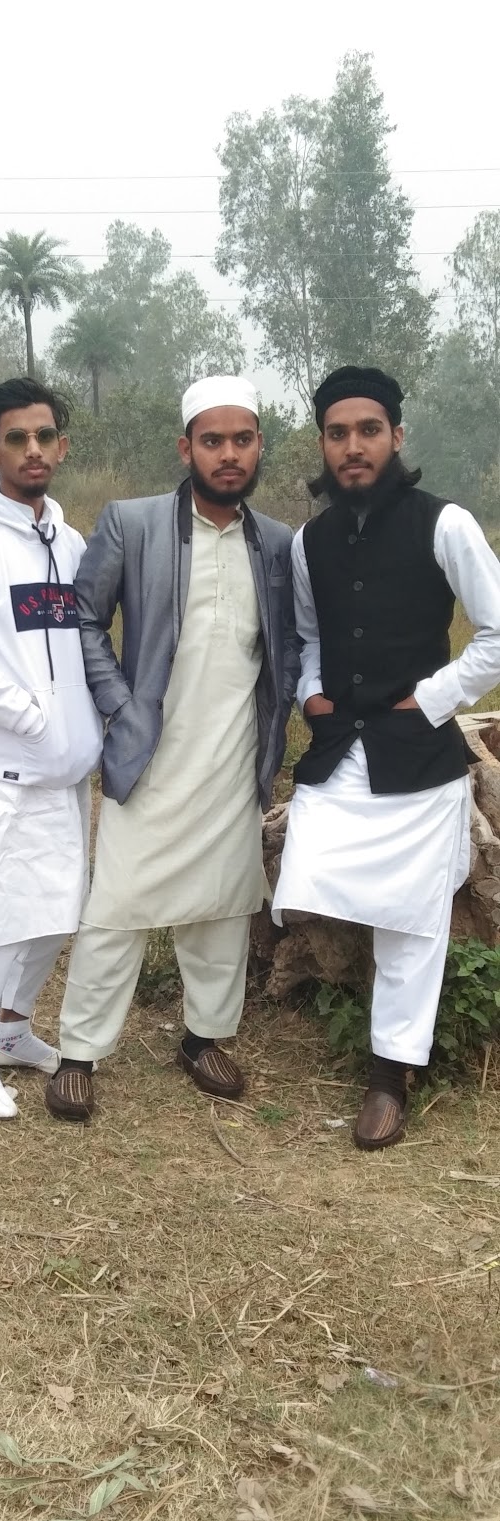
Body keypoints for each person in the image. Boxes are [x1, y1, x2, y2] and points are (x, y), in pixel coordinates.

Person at [46, 375, 300, 1121]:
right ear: (186, 448)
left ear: (259, 447)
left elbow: (287, 647)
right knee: (117, 905)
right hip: (150, 753)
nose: (229, 455)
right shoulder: (134, 523)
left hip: (233, 755)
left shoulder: (278, 542)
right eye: (213, 441)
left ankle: (203, 1038)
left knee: (224, 905)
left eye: (242, 440)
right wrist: (120, 705)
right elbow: (83, 619)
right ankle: (79, 1052)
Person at [272, 364, 500, 1151]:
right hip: (340, 747)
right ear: (323, 444)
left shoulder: (446, 524)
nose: (353, 446)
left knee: (413, 917)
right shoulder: (309, 541)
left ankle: (389, 1076)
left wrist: (432, 699)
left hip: (417, 752)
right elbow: (308, 637)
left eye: (368, 430)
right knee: (303, 878)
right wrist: (311, 695)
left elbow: (496, 632)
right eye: (337, 433)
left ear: (396, 436)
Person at [0, 377, 102, 1119]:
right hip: (4, 770)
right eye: (16, 438)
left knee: (58, 912)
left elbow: (83, 646)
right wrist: (33, 717)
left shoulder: (72, 542)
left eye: (44, 436)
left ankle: (10, 1030)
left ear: (61, 447)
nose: (32, 450)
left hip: (68, 772)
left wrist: (80, 727)